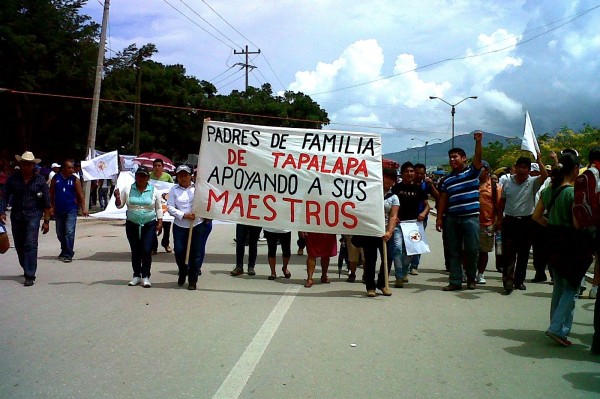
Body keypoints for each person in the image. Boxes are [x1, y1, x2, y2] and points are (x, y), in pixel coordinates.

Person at [532, 153, 591, 346]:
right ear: (575, 169)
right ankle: (557, 328)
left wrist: (551, 224)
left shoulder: (548, 191)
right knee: (572, 287)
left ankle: (557, 328)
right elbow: (576, 223)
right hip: (571, 243)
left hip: (552, 240)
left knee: (559, 285)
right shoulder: (572, 193)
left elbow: (536, 216)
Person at [436, 131, 483, 291]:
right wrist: (439, 218)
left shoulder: (472, 172)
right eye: (450, 157)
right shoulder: (447, 179)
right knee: (453, 251)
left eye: (455, 156)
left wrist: (478, 142)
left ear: (464, 158)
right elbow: (443, 199)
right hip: (452, 219)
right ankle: (455, 281)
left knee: (472, 249)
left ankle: (471, 279)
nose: (452, 159)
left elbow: (478, 158)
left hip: (471, 218)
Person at [497, 155, 548, 294]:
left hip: (526, 221)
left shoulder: (533, 182)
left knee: (524, 253)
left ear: (528, 170)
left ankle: (519, 281)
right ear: (515, 167)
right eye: (519, 167)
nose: (521, 170)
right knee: (508, 253)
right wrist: (499, 218)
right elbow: (502, 201)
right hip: (510, 220)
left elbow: (545, 175)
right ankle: (508, 281)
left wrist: (539, 161)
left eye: (524, 168)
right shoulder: (507, 181)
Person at [0, 151, 51, 286]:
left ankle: (30, 274)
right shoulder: (13, 179)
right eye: (24, 164)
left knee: (30, 244)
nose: (26, 166)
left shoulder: (40, 180)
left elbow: (46, 202)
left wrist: (46, 222)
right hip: (17, 215)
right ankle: (25, 265)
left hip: (33, 215)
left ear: (33, 166)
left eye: (29, 164)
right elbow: (4, 196)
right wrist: (1, 211)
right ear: (20, 164)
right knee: (19, 244)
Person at [114, 166, 163, 288]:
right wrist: (118, 198)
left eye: (144, 176)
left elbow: (158, 207)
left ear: (148, 178)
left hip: (149, 223)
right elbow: (120, 206)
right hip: (132, 223)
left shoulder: (154, 190)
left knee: (146, 250)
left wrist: (160, 222)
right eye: (139, 176)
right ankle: (136, 275)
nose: (141, 178)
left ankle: (145, 276)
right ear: (136, 177)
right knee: (135, 250)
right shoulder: (128, 189)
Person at [353, 166, 398, 297]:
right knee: (370, 259)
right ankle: (370, 286)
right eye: (386, 177)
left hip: (385, 232)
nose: (388, 181)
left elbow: (393, 216)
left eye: (391, 179)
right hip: (371, 231)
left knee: (388, 258)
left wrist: (389, 232)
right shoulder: (369, 193)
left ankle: (383, 284)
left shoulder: (394, 197)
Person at [166, 164, 212, 290]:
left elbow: (207, 202)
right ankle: (182, 271)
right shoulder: (174, 190)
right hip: (180, 225)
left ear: (190, 176)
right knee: (180, 252)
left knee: (196, 252)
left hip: (197, 224)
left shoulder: (198, 189)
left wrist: (205, 214)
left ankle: (193, 279)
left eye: (185, 174)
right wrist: (183, 215)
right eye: (180, 175)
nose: (183, 177)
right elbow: (170, 207)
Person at [391, 161, 430, 287]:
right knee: (397, 249)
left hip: (413, 225)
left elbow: (427, 206)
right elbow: (388, 204)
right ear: (402, 174)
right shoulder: (396, 188)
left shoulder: (419, 189)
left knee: (411, 252)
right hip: (398, 224)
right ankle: (399, 277)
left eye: (411, 171)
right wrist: (393, 216)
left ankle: (404, 271)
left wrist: (423, 213)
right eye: (406, 171)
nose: (409, 173)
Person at [50, 160, 89, 262]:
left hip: (71, 209)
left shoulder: (75, 180)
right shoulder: (56, 178)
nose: (72, 170)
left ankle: (68, 253)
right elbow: (51, 193)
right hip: (59, 209)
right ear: (63, 168)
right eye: (69, 168)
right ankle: (64, 249)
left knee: (69, 231)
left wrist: (84, 208)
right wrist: (51, 206)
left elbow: (80, 195)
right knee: (60, 232)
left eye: (72, 168)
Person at [409, 163, 439, 274]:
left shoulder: (426, 185)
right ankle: (404, 264)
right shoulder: (407, 184)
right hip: (407, 217)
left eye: (422, 173)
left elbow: (437, 197)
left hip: (421, 218)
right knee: (406, 241)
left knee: (417, 240)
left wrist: (431, 185)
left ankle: (414, 265)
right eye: (417, 173)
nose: (419, 175)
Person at [476, 160, 502, 284]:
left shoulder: (494, 186)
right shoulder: (471, 183)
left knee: (483, 251)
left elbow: (499, 206)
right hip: (471, 221)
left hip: (487, 223)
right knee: (467, 249)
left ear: (487, 170)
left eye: (481, 168)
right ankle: (465, 271)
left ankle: (480, 274)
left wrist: (497, 222)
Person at [150, 158, 174, 254]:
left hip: (164, 204)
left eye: (159, 166)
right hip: (153, 204)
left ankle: (166, 243)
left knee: (167, 226)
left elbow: (172, 189)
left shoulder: (167, 177)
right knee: (152, 226)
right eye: (155, 166)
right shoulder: (149, 176)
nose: (157, 167)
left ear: (163, 167)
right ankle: (153, 247)